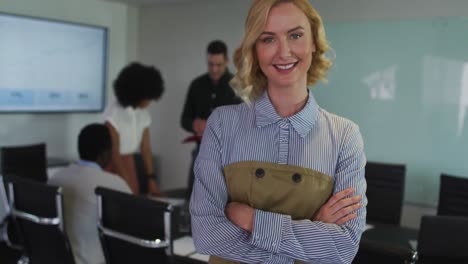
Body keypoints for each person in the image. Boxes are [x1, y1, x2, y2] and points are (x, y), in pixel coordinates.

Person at [190, 1, 367, 264]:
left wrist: (253, 220)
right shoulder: (222, 124)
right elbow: (207, 235)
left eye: (295, 35)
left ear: (314, 42)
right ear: (254, 49)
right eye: (268, 39)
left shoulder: (344, 136)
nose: (284, 52)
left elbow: (343, 248)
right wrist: (311, 232)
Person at [49, 123, 131, 264]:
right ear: (105, 153)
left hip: (56, 257)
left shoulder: (56, 177)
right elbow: (137, 223)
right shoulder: (114, 183)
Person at [181, 40, 241, 199]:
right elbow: (184, 119)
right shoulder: (196, 85)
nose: (214, 69)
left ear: (227, 62)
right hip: (201, 151)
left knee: (227, 199)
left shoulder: (240, 85)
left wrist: (215, 125)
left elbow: (247, 122)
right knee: (194, 196)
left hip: (231, 154)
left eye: (218, 65)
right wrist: (194, 124)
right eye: (210, 64)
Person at [104, 62, 164, 196]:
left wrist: (151, 179)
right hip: (112, 163)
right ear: (137, 94)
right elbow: (114, 152)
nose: (149, 102)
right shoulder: (113, 111)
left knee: (132, 202)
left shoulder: (143, 112)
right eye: (147, 98)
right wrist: (126, 182)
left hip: (129, 162)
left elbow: (145, 148)